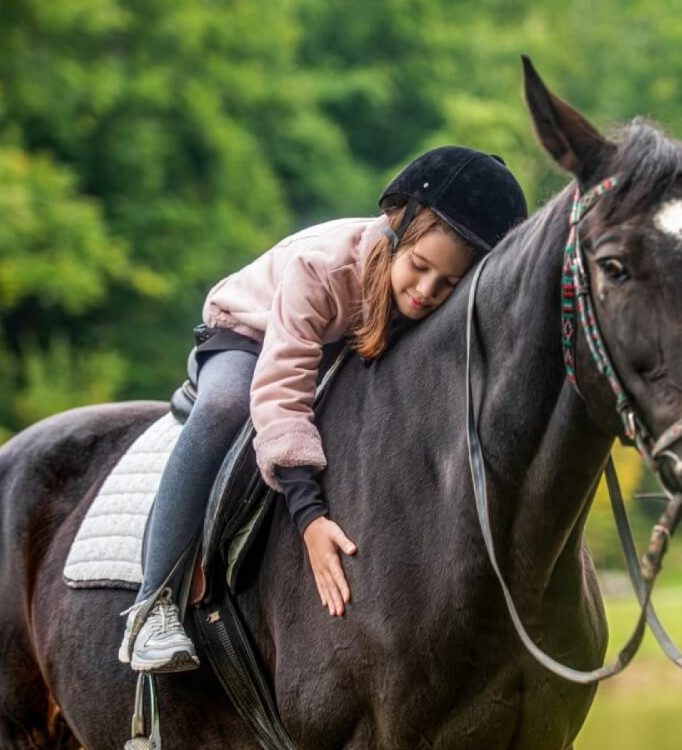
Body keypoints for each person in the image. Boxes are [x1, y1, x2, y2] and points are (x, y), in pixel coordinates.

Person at [118, 146, 528, 673]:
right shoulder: (323, 268)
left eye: (447, 284)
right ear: (395, 231)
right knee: (225, 405)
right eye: (420, 267)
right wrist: (309, 517)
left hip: (343, 340)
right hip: (254, 333)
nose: (426, 292)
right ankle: (152, 605)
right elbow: (282, 387)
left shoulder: (425, 296)